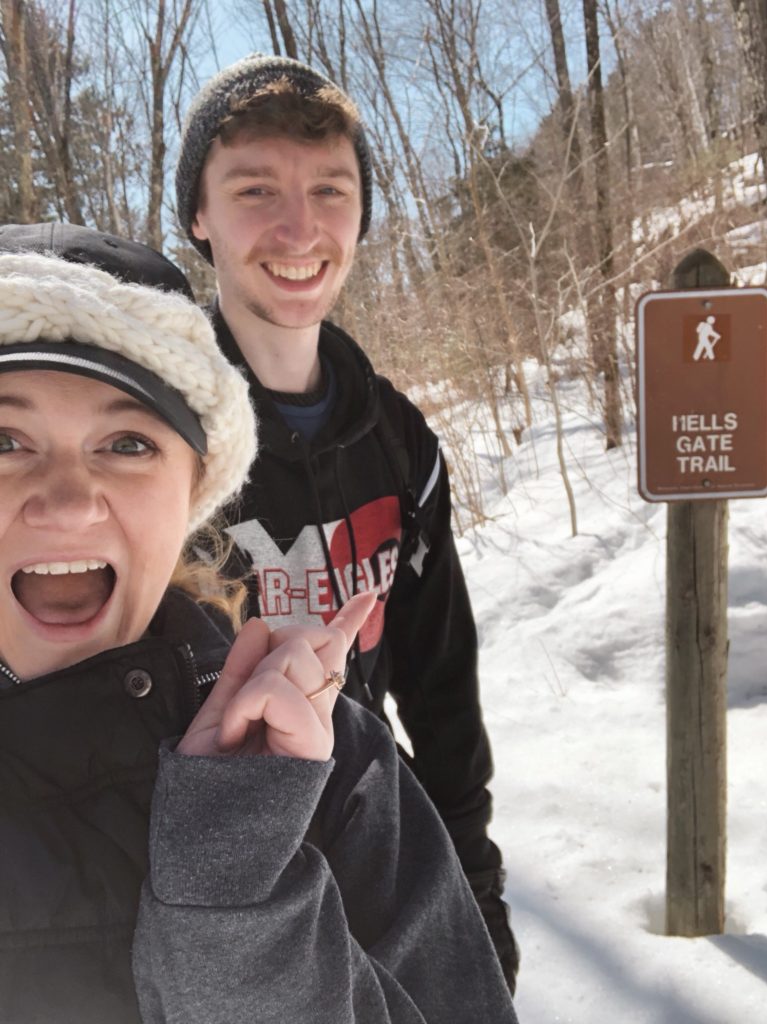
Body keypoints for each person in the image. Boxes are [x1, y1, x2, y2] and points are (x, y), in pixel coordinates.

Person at [0, 225, 518, 1024]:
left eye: (128, 442)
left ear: (194, 490)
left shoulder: (322, 763)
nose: (68, 501)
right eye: (5, 440)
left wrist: (237, 894)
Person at [174, 52, 520, 991]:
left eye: (331, 188)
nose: (299, 226)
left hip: (385, 871)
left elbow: (441, 684)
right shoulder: (152, 437)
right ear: (198, 217)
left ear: (362, 213)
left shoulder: (401, 440)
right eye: (254, 189)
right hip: (213, 901)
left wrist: (473, 886)